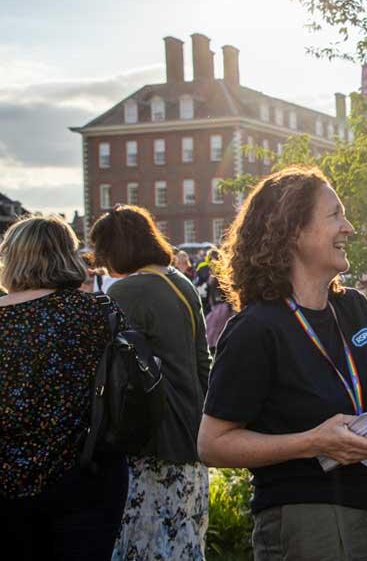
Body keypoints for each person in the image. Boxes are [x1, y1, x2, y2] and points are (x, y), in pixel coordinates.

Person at [197, 166, 367, 561]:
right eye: (335, 215)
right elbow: (213, 445)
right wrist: (313, 442)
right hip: (307, 518)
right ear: (293, 232)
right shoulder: (256, 329)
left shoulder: (353, 307)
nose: (349, 228)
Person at [0, 215, 129, 560]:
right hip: (88, 476)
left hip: (7, 482)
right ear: (67, 255)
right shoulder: (98, 313)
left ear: (11, 258)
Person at [89, 205, 210, 560]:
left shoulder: (128, 292)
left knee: (142, 547)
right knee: (185, 545)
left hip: (150, 444)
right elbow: (202, 363)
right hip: (191, 438)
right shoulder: (182, 283)